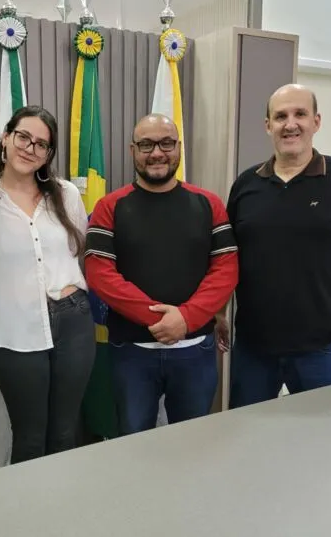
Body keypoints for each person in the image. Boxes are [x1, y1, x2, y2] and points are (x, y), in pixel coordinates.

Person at [220, 83, 331, 408]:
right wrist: (218, 313)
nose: (290, 124)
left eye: (300, 114)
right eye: (280, 116)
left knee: (326, 444)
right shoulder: (246, 185)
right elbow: (228, 261)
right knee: (246, 440)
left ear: (316, 122)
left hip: (324, 347)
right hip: (254, 348)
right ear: (268, 125)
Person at [84, 114, 239, 436]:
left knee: (193, 443)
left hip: (195, 350)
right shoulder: (109, 207)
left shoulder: (209, 204)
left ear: (178, 147)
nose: (157, 153)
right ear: (132, 150)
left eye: (166, 143)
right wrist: (161, 319)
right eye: (146, 144)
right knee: (133, 441)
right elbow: (100, 274)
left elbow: (225, 269)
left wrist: (186, 318)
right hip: (132, 355)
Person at [0, 105, 95, 464]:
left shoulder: (66, 194)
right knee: (28, 437)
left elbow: (81, 252)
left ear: (48, 154)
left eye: (42, 144)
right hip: (17, 330)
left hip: (74, 321)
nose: (30, 148)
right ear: (5, 138)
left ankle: (60, 513)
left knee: (66, 432)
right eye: (23, 136)